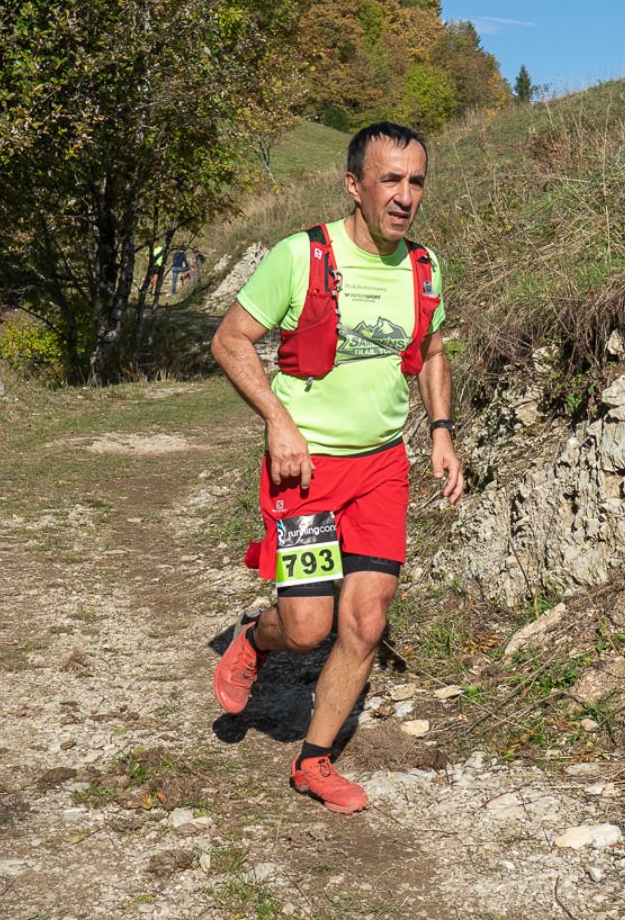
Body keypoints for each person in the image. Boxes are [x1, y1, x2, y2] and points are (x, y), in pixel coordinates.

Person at [208, 121, 464, 814]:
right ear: (355, 184)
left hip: (382, 470)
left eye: (416, 181)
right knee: (306, 629)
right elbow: (230, 340)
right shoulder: (301, 256)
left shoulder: (423, 267)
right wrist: (277, 420)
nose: (405, 196)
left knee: (367, 622)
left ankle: (314, 760)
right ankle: (255, 639)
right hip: (308, 473)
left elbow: (432, 352)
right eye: (390, 179)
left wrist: (441, 431)